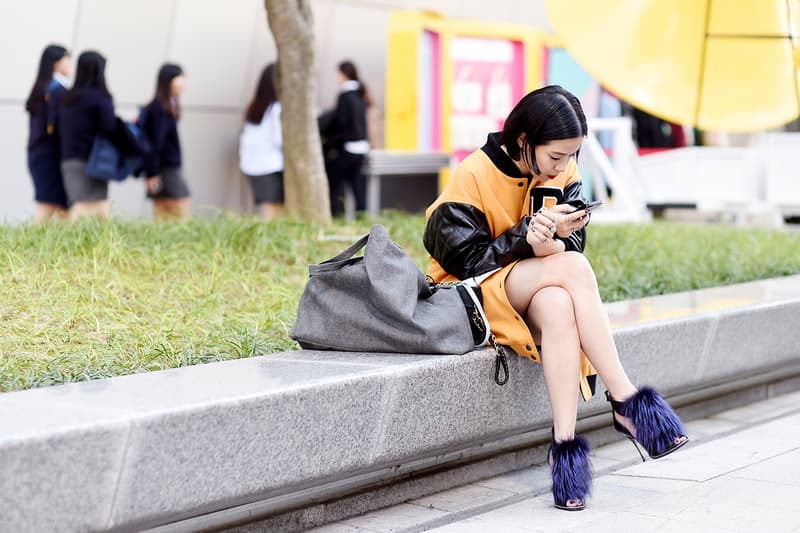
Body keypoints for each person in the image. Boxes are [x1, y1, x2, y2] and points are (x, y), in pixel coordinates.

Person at [423, 85, 688, 511]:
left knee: (560, 305)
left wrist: (555, 238)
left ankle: (564, 449)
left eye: (571, 157)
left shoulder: (564, 170)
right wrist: (524, 237)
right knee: (576, 270)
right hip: (471, 294)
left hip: (535, 287)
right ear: (524, 141)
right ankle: (624, 398)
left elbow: (573, 245)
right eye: (555, 157)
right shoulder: (475, 173)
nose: (563, 168)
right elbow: (462, 258)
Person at [58, 50, 115, 220]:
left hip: (69, 160)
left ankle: (105, 245)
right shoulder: (100, 98)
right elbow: (109, 129)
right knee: (92, 207)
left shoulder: (67, 98)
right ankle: (107, 245)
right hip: (93, 162)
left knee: (85, 205)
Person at [25, 44, 72, 223]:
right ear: (56, 63)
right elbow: (57, 127)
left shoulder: (42, 87)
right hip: (49, 156)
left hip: (39, 154)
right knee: (50, 203)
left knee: (58, 205)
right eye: (66, 59)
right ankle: (32, 245)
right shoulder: (55, 90)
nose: (70, 63)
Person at [319, 60, 371, 217]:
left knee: (334, 183)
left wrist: (329, 142)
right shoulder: (360, 94)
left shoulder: (345, 95)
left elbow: (342, 122)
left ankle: (336, 215)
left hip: (347, 148)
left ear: (343, 74)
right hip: (361, 148)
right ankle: (362, 218)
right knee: (357, 187)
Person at [140, 63, 190, 220]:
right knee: (179, 210)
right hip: (165, 169)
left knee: (163, 213)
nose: (183, 82)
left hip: (163, 169)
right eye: (180, 77)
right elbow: (154, 144)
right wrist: (152, 173)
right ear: (169, 80)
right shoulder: (159, 109)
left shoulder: (167, 106)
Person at [239, 63, 284, 220]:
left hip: (253, 166)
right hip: (271, 166)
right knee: (273, 213)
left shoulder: (255, 107)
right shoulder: (277, 108)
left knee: (267, 211)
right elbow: (280, 139)